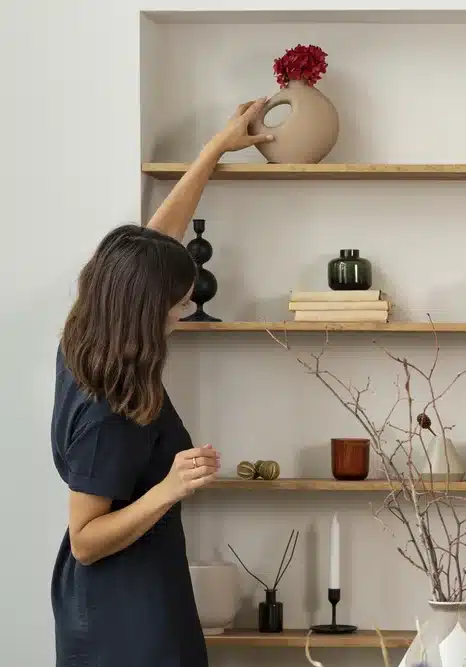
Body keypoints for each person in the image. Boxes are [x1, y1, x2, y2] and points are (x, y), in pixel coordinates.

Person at [50, 99, 274, 667]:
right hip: (126, 616)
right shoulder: (114, 405)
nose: (178, 318)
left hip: (128, 597)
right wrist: (169, 488)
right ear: (142, 310)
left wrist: (214, 151)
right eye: (174, 309)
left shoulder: (87, 334)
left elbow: (151, 245)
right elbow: (85, 540)